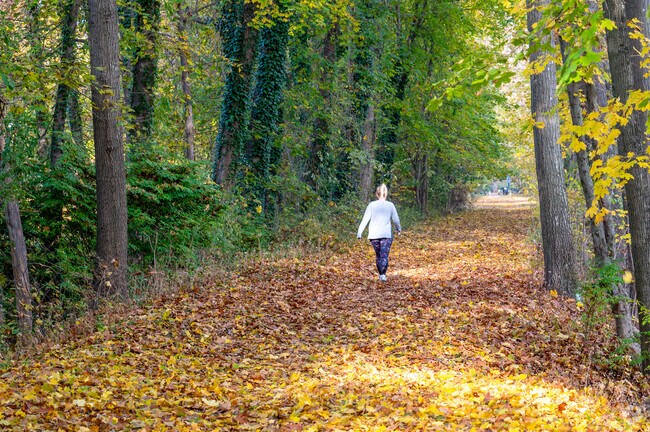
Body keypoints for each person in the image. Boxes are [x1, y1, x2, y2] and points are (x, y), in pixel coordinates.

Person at [357, 184, 401, 282]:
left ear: (377, 194)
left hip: (374, 235)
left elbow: (365, 219)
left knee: (378, 255)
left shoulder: (371, 205)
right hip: (386, 235)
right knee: (384, 255)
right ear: (386, 194)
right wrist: (398, 229)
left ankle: (381, 274)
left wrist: (359, 232)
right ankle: (383, 274)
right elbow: (396, 220)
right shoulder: (390, 205)